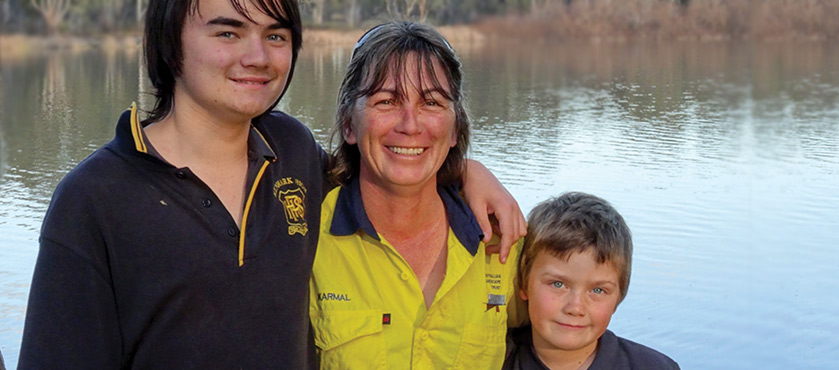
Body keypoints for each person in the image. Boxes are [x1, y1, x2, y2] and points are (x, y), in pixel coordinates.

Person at [17, 1, 522, 368]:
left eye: (276, 36)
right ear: (171, 42)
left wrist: (465, 170)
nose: (258, 56)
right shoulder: (95, 198)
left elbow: (393, 166)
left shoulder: (292, 153)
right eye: (228, 32)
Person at [309, 21, 526, 369]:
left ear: (455, 129)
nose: (410, 124)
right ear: (349, 124)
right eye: (387, 100)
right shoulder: (305, 241)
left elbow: (567, 346)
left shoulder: (502, 241)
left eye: (431, 102)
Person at [504, 192, 679, 370]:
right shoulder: (489, 360)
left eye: (598, 290)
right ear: (524, 283)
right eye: (558, 284)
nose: (575, 308)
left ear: (618, 296)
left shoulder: (655, 367)